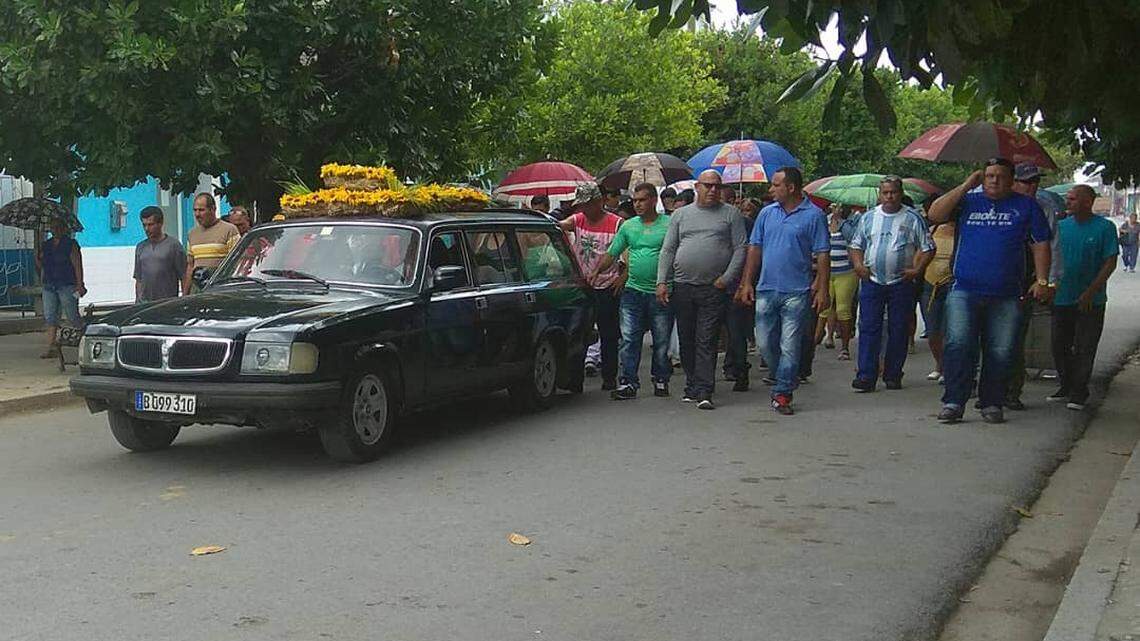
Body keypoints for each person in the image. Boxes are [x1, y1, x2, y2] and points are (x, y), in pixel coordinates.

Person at [926, 158, 1053, 424]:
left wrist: (1042, 280)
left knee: (1001, 349)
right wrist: (965, 185)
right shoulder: (968, 201)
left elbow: (1040, 243)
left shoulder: (1026, 206)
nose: (994, 180)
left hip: (1006, 293)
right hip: (964, 289)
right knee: (958, 344)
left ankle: (992, 402)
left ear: (1011, 180)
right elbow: (935, 214)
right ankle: (953, 401)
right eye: (989, 176)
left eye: (1000, 176)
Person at [736, 167, 830, 416]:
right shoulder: (767, 214)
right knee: (766, 344)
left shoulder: (814, 215)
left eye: (776, 185)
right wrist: (747, 282)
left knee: (790, 344)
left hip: (797, 291)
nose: (771, 189)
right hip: (766, 288)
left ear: (791, 187)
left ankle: (783, 392)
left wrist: (822, 287)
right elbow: (754, 249)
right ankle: (785, 377)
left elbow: (822, 254)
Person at [656, 169, 746, 410]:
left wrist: (726, 279)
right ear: (697, 187)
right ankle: (692, 384)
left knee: (706, 339)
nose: (712, 190)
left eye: (717, 186)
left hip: (713, 288)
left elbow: (740, 249)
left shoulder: (731, 214)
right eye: (707, 185)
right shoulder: (681, 215)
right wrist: (662, 281)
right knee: (686, 339)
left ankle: (705, 389)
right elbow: (668, 249)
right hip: (683, 286)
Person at [848, 176, 935, 391]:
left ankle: (893, 373)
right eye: (885, 193)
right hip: (872, 280)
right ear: (880, 194)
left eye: (893, 192)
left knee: (899, 328)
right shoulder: (868, 218)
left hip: (901, 282)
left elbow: (928, 247)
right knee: (868, 327)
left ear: (900, 193)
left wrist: (917, 270)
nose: (889, 197)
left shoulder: (913, 218)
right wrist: (858, 265)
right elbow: (856, 244)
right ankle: (866, 375)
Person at [594, 183, 672, 400]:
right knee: (629, 338)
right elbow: (613, 253)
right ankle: (628, 382)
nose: (637, 204)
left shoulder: (669, 224)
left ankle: (660, 379)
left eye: (642, 200)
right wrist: (597, 272)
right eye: (635, 200)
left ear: (653, 200)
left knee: (661, 339)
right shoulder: (628, 226)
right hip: (633, 291)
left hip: (661, 291)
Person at [1048, 185, 1119, 410]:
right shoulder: (1060, 227)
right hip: (1061, 296)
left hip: (1091, 299)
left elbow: (1110, 261)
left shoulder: (1104, 228)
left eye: (1072, 199)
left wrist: (1091, 290)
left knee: (1085, 346)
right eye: (1067, 199)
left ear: (1087, 202)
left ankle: (1079, 392)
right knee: (1059, 345)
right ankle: (1066, 385)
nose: (1067, 202)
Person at [1005, 163, 1065, 410]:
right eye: (1026, 182)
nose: (1032, 186)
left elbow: (1053, 247)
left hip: (1026, 282)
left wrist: (1048, 282)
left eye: (1035, 182)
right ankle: (991, 387)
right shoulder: (996, 203)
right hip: (996, 279)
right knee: (989, 339)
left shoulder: (1044, 208)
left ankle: (1011, 390)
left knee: (1013, 338)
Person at [558, 183, 625, 390]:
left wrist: (622, 278)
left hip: (607, 286)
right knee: (578, 333)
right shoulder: (577, 220)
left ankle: (609, 376)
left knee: (609, 334)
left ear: (599, 202)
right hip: (583, 286)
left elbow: (629, 253)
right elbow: (560, 226)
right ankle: (574, 380)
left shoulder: (618, 224)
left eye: (586, 205)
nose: (583, 209)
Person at [35, 222, 85, 358]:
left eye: (58, 227)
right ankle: (51, 347)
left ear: (64, 228)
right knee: (50, 316)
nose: (55, 229)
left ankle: (84, 342)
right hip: (49, 284)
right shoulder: (46, 245)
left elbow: (77, 265)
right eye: (53, 227)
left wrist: (79, 284)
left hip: (67, 284)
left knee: (72, 315)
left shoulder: (70, 244)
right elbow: (41, 265)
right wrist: (38, 257)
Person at [816, 204, 857, 360]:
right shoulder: (823, 222)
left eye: (839, 206)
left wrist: (840, 222)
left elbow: (853, 238)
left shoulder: (851, 223)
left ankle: (845, 348)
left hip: (846, 272)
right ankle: (815, 342)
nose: (836, 208)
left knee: (843, 309)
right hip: (827, 272)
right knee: (823, 309)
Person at [920, 220, 956, 382]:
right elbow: (921, 252)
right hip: (930, 285)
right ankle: (940, 364)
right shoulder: (932, 230)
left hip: (953, 285)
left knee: (951, 331)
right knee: (933, 330)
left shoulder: (963, 229)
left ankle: (949, 368)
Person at [184, 193, 240, 293]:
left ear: (213, 209)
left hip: (220, 290)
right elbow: (190, 266)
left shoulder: (229, 230)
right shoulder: (192, 234)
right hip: (197, 291)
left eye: (201, 210)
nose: (197, 214)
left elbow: (238, 262)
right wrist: (185, 294)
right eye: (195, 210)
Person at [134, 206, 187, 303]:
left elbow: (184, 276)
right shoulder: (140, 247)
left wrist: (184, 299)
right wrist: (138, 300)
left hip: (167, 303)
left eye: (150, 225)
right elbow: (139, 278)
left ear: (160, 223)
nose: (146, 229)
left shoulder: (174, 245)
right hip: (145, 303)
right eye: (144, 225)